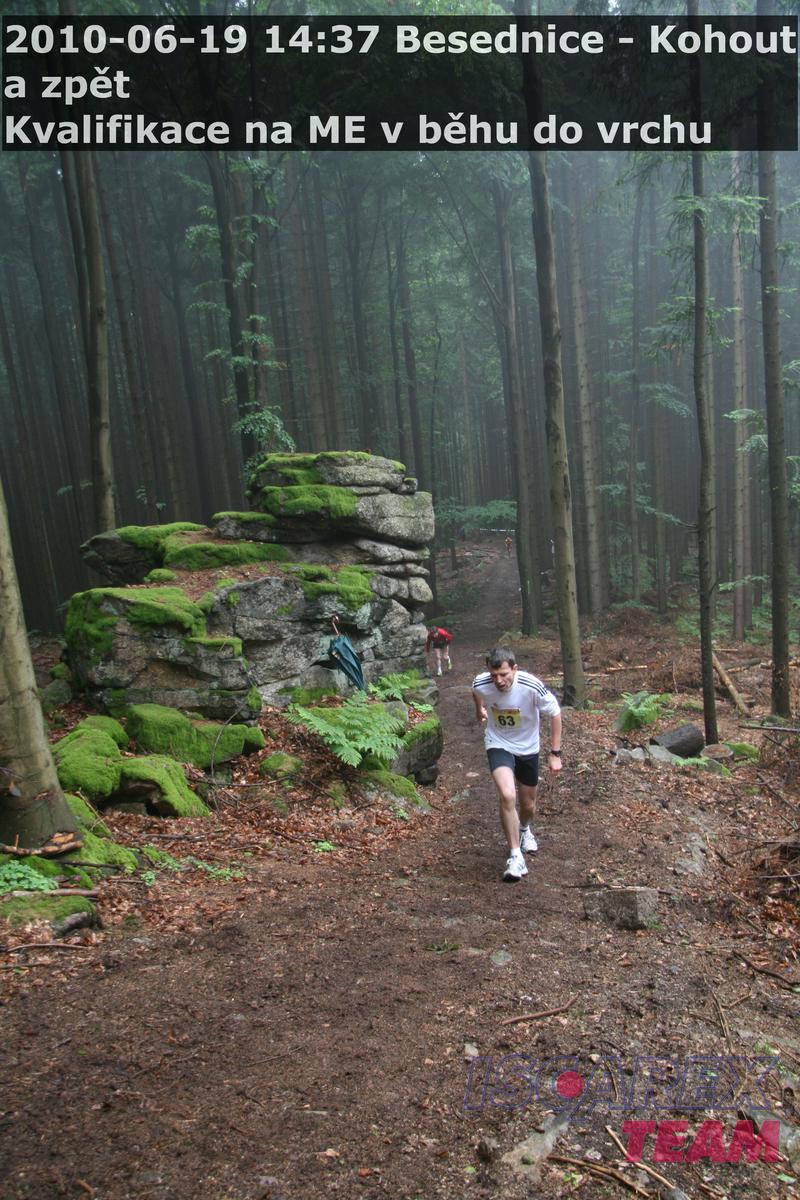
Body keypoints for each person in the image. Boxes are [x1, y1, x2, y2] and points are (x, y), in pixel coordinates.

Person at [471, 647, 562, 882]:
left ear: (514, 669)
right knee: (507, 795)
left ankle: (524, 829)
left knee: (528, 805)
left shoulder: (531, 686)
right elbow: (476, 691)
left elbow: (555, 712)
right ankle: (515, 856)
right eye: (494, 676)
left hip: (528, 748)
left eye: (504, 674)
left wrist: (555, 753)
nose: (499, 681)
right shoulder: (482, 683)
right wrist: (479, 710)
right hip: (498, 743)